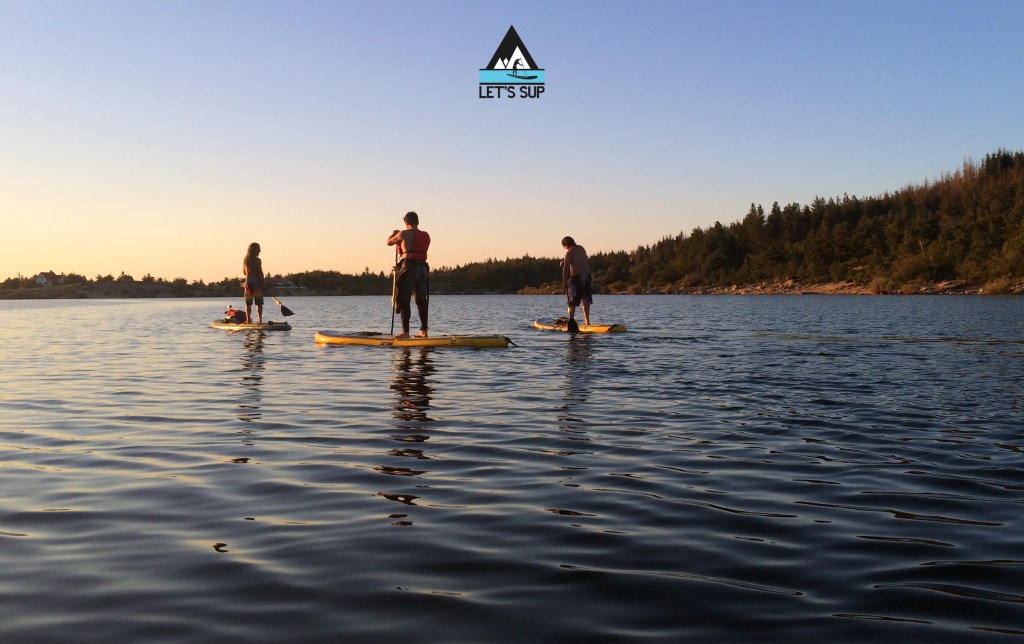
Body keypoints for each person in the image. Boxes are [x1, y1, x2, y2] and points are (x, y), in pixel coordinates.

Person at [387, 212, 431, 338]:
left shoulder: (403, 233)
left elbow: (389, 242)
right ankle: (424, 331)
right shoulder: (426, 235)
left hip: (409, 267)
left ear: (406, 222)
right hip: (422, 268)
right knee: (421, 300)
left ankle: (405, 333)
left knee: (404, 299)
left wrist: (394, 234)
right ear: (417, 221)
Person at [561, 236, 592, 326]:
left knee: (572, 301)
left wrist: (564, 281)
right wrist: (565, 261)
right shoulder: (581, 248)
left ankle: (572, 320)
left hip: (577, 278)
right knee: (585, 299)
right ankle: (587, 321)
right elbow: (580, 260)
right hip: (587, 277)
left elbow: (566, 268)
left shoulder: (569, 253)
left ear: (566, 245)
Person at [242, 242, 266, 324]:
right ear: (254, 250)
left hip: (248, 281)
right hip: (256, 282)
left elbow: (244, 272)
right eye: (258, 249)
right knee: (259, 302)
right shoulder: (258, 260)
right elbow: (260, 272)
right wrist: (262, 282)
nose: (260, 250)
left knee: (248, 303)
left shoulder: (246, 259)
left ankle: (248, 320)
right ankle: (260, 320)